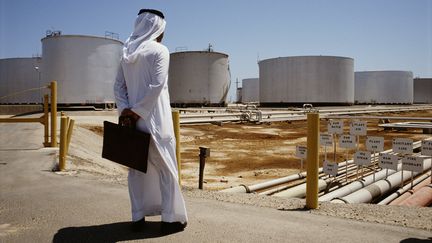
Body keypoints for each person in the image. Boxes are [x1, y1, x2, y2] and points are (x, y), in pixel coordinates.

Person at [114, 9, 188, 234]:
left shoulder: (126, 53)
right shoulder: (160, 51)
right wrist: (138, 112)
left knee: (136, 169)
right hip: (156, 120)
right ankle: (169, 219)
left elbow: (118, 87)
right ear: (157, 29)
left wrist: (126, 111)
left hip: (131, 122)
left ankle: (137, 217)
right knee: (166, 168)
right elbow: (157, 86)